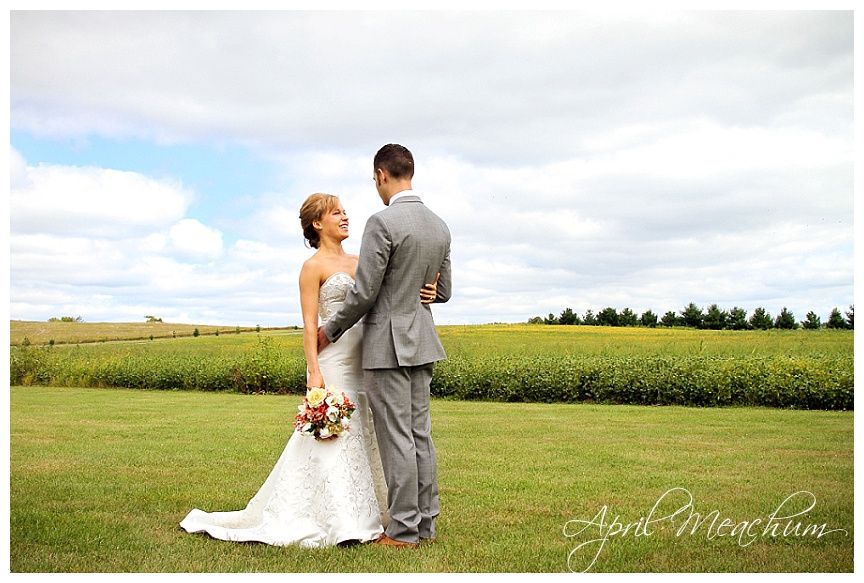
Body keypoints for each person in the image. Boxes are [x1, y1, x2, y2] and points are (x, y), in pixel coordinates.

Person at [179, 192, 438, 547]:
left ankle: (379, 511)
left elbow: (395, 289)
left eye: (346, 212)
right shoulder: (312, 267)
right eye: (337, 213)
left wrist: (433, 288)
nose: (346, 218)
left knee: (373, 432)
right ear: (317, 223)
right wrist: (313, 370)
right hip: (333, 360)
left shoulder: (363, 259)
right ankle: (338, 517)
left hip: (372, 356)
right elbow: (309, 325)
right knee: (335, 436)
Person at [318, 144, 452, 548]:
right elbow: (443, 291)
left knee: (397, 438)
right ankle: (425, 524)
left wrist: (332, 330)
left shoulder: (383, 221)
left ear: (381, 175)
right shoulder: (439, 225)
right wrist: (422, 291)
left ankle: (403, 530)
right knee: (419, 435)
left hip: (388, 347)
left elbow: (363, 294)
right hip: (423, 342)